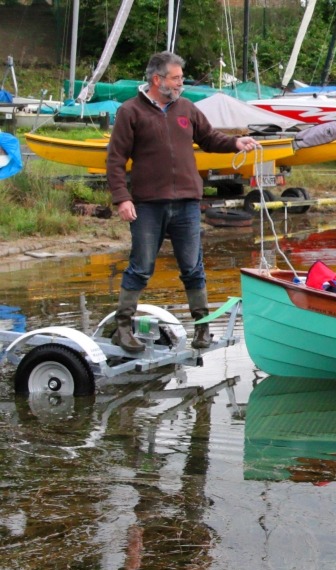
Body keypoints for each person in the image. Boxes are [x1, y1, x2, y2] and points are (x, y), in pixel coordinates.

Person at [106, 51, 258, 352]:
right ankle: (122, 329)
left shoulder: (186, 107)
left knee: (193, 268)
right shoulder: (130, 111)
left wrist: (235, 143)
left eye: (181, 78)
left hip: (187, 202)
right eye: (176, 78)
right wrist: (122, 198)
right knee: (141, 267)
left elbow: (209, 138)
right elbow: (115, 160)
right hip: (148, 204)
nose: (181, 83)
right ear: (157, 79)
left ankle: (202, 328)